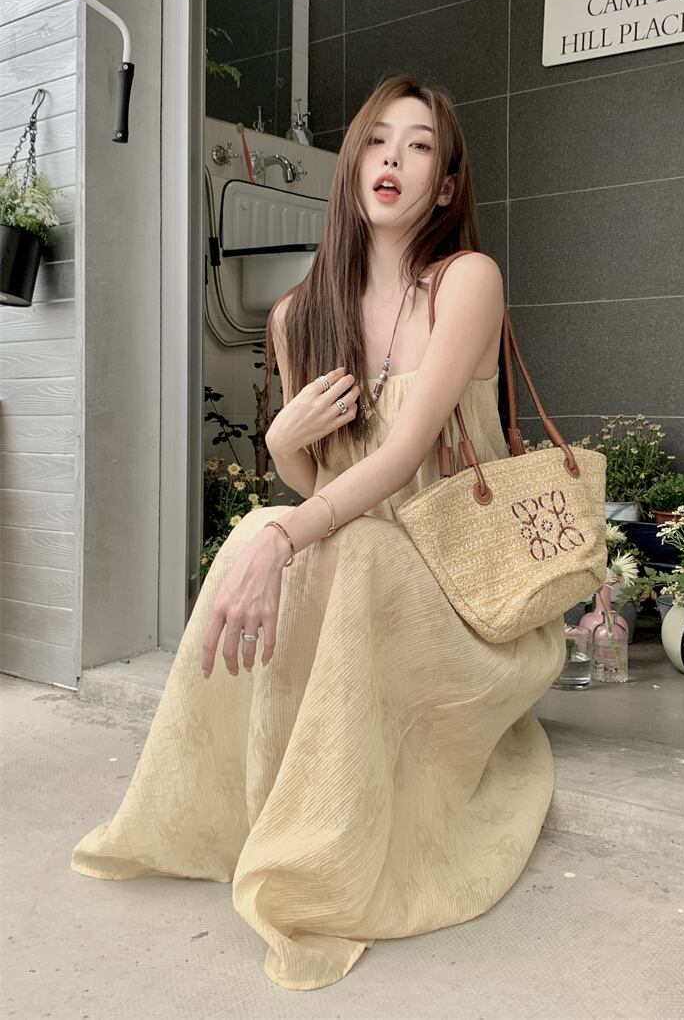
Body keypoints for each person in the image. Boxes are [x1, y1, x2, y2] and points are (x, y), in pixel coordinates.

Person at [70, 73, 567, 992]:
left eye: (419, 145)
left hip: (459, 594)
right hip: (359, 570)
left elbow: (405, 456)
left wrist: (284, 535)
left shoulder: (466, 282)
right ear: (351, 165)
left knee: (303, 538)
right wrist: (279, 447)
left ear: (446, 187)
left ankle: (323, 852)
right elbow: (324, 485)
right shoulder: (299, 316)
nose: (392, 158)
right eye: (376, 139)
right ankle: (259, 811)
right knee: (275, 530)